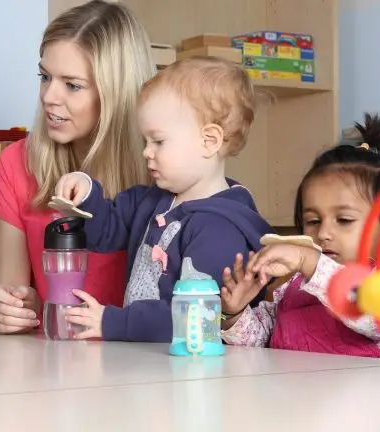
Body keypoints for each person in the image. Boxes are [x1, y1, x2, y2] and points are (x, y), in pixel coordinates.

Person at [54, 56, 273, 342]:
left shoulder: (220, 229)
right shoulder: (149, 200)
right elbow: (104, 233)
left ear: (209, 141)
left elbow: (195, 317)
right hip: (150, 361)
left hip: (196, 371)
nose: (146, 152)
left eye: (158, 141)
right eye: (146, 141)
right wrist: (86, 194)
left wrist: (114, 322)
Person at [0, 0, 156, 334]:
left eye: (72, 84)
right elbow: (12, 292)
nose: (49, 96)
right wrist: (14, 309)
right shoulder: (16, 163)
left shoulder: (161, 171)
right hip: (53, 364)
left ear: (116, 93)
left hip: (141, 367)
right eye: (45, 76)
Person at [219, 113, 380, 359]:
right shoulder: (295, 286)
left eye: (344, 220)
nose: (324, 233)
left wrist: (311, 263)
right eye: (313, 221)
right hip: (292, 394)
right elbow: (262, 342)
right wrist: (235, 313)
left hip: (371, 397)